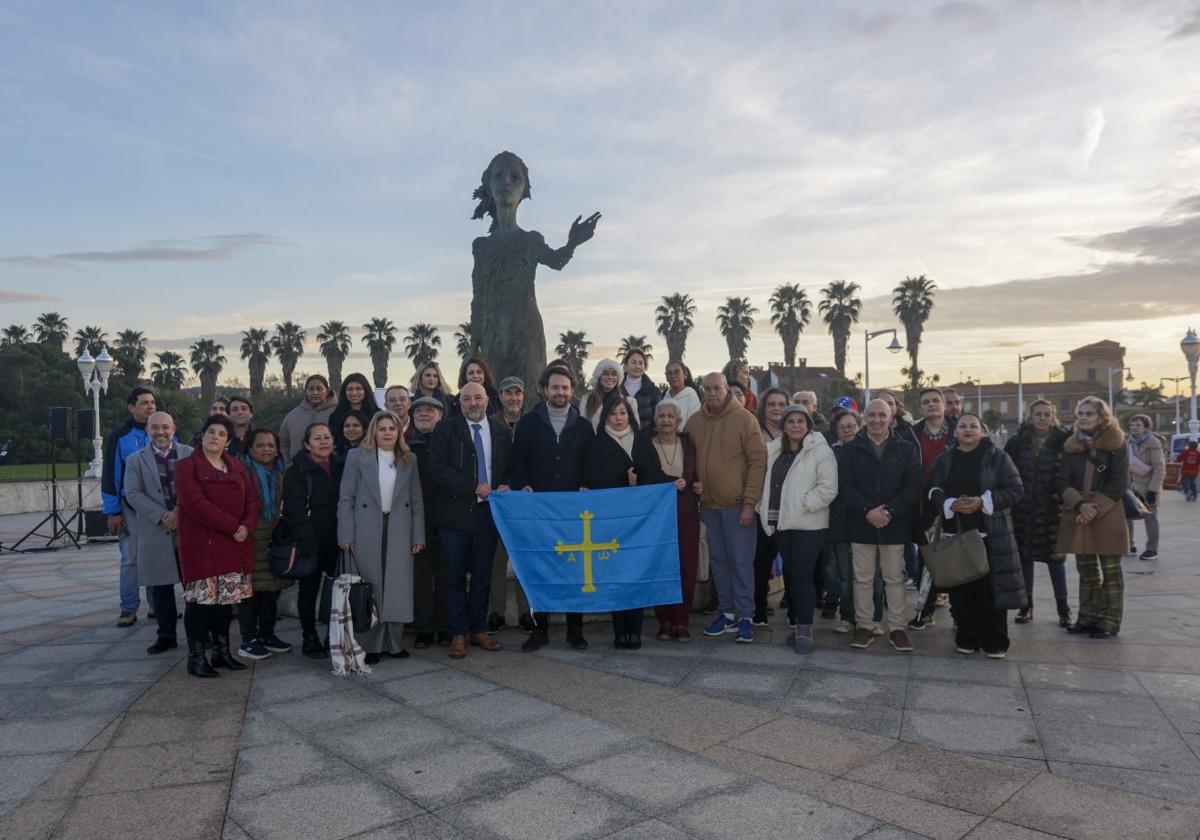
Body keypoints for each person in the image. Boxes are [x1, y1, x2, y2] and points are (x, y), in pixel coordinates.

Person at [927, 413, 1027, 658]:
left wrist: (982, 502)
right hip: (957, 536)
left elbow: (1015, 490)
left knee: (991, 592)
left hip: (991, 535)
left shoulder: (998, 457)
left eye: (973, 426)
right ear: (956, 432)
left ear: (983, 431)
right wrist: (950, 503)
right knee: (961, 592)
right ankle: (967, 637)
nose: (968, 430)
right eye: (963, 426)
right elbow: (932, 491)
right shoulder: (945, 459)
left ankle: (995, 641)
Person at [511, 365, 595, 652]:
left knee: (574, 571)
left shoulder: (583, 426)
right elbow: (516, 462)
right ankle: (540, 630)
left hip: (573, 512)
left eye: (565, 387)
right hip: (539, 511)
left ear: (572, 391)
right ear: (545, 390)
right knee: (540, 570)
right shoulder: (528, 423)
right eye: (555, 387)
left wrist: (586, 483)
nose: (560, 392)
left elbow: (590, 464)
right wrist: (522, 484)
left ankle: (575, 630)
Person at [429, 382, 512, 658]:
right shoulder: (445, 429)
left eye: (478, 397)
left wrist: (505, 485)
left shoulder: (501, 432)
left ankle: (478, 628)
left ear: (488, 400)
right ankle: (457, 633)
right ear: (459, 402)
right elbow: (437, 470)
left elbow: (509, 469)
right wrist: (472, 486)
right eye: (467, 399)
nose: (473, 403)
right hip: (453, 517)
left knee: (482, 576)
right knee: (452, 577)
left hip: (487, 517)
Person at [175, 414, 258, 678]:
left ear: (228, 441)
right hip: (203, 543)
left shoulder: (236, 467)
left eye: (221, 434)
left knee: (225, 603)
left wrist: (247, 526)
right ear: (202, 435)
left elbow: (253, 500)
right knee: (201, 604)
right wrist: (234, 527)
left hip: (235, 545)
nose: (214, 437)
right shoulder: (186, 466)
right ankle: (196, 657)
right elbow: (195, 504)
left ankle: (221, 652)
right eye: (210, 431)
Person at [338, 410, 425, 663]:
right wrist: (345, 533)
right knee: (371, 586)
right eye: (382, 428)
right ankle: (370, 645)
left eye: (392, 428)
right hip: (366, 528)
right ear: (373, 432)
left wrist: (417, 534)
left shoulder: (409, 459)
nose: (387, 433)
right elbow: (346, 499)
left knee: (397, 586)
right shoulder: (357, 457)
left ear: (399, 432)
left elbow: (416, 500)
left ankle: (394, 643)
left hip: (399, 528)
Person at [688, 372, 767, 643]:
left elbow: (758, 463)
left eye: (718, 388)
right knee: (719, 564)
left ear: (727, 390)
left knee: (741, 563)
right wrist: (694, 484)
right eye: (708, 388)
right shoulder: (695, 422)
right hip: (708, 506)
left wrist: (749, 503)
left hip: (737, 508)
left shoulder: (745, 419)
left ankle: (746, 616)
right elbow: (688, 461)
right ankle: (728, 614)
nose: (713, 393)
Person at [838, 398, 922, 652]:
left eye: (882, 415)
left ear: (891, 418)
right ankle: (864, 626)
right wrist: (867, 511)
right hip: (861, 522)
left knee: (894, 579)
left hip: (894, 524)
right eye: (871, 415)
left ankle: (897, 629)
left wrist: (890, 511)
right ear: (864, 418)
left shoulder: (906, 448)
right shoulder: (850, 449)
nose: (876, 420)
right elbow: (845, 487)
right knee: (862, 579)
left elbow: (914, 486)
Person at [585, 395, 666, 649]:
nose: (618, 419)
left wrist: (675, 481)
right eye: (613, 414)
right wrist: (624, 483)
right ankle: (620, 631)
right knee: (616, 576)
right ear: (605, 417)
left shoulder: (642, 441)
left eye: (622, 413)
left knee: (636, 575)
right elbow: (594, 481)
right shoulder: (597, 444)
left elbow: (654, 474)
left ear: (629, 415)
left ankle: (636, 631)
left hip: (639, 523)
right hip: (612, 522)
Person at [759, 405, 838, 653]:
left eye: (800, 421)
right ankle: (798, 626)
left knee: (803, 576)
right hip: (781, 524)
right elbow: (766, 484)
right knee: (792, 575)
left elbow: (828, 489)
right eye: (790, 421)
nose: (795, 425)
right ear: (783, 426)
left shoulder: (820, 451)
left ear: (808, 425)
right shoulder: (773, 451)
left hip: (808, 524)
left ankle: (805, 631)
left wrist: (802, 505)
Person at [1057, 397, 1129, 639]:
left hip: (1107, 512)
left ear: (1102, 416)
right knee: (1086, 569)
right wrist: (1079, 505)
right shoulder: (1071, 446)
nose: (1084, 417)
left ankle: (1109, 621)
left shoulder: (1116, 443)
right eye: (1081, 413)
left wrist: (1094, 508)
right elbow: (1062, 480)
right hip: (1079, 512)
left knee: (1110, 570)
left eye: (1089, 413)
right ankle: (1087, 617)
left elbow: (1120, 481)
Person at [122, 411, 192, 654]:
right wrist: (163, 516)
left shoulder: (190, 454)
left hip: (187, 528)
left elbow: (198, 488)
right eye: (155, 428)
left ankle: (197, 633)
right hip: (155, 528)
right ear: (147, 430)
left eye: (165, 427)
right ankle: (166, 635)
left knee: (193, 585)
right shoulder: (135, 460)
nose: (160, 432)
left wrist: (178, 513)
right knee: (161, 588)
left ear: (173, 428)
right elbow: (132, 493)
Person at [1004, 399, 1072, 627]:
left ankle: (1063, 608)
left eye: (1047, 414)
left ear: (1053, 417)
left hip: (1054, 510)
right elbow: (1006, 471)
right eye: (1038, 414)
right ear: (1030, 417)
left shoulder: (1066, 442)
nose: (1042, 418)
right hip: (1022, 509)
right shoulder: (1017, 442)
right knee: (1025, 560)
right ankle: (1026, 606)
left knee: (1056, 561)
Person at [281, 422, 343, 657]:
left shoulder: (341, 465)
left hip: (338, 540)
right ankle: (309, 636)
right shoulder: (296, 471)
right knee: (308, 590)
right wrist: (308, 543)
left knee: (337, 591)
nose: (323, 442)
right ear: (306, 444)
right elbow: (294, 512)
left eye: (327, 437)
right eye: (317, 438)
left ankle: (334, 635)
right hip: (311, 541)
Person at [236, 428, 293, 660]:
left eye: (271, 445)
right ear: (250, 448)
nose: (266, 449)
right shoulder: (242, 473)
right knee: (249, 593)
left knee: (271, 590)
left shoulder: (281, 473)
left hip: (272, 539)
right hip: (249, 538)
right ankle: (249, 639)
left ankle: (268, 635)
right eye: (260, 445)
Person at [824, 411, 883, 633]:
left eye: (852, 425)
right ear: (836, 431)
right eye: (843, 427)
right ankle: (847, 617)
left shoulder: (870, 451)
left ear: (859, 427)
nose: (848, 429)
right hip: (839, 521)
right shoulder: (829, 454)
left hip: (867, 519)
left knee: (872, 574)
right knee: (844, 574)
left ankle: (875, 618)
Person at [103, 386, 156, 627]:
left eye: (152, 402)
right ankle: (129, 608)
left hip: (159, 509)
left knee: (159, 557)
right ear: (131, 407)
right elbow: (110, 476)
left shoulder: (166, 433)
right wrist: (113, 511)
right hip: (129, 508)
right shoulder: (120, 436)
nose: (150, 407)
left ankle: (158, 606)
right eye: (144, 403)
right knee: (131, 560)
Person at [648, 399, 700, 642]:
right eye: (662, 416)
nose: (666, 420)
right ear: (655, 420)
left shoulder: (689, 444)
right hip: (657, 518)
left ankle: (681, 621)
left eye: (671, 416)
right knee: (660, 567)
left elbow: (696, 473)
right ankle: (664, 621)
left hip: (686, 513)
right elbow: (644, 476)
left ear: (678, 421)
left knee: (686, 568)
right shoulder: (646, 445)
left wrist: (698, 484)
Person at [905, 388, 955, 629]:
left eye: (936, 401)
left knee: (957, 560)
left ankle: (960, 613)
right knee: (928, 560)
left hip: (952, 506)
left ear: (944, 404)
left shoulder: (959, 430)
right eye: (926, 402)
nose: (932, 405)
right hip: (921, 507)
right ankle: (925, 610)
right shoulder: (910, 435)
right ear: (920, 408)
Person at [408, 396, 450, 648]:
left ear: (441, 415)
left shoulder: (449, 443)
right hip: (417, 521)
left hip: (446, 519)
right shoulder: (405, 447)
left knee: (447, 576)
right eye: (419, 411)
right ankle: (423, 628)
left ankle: (445, 627)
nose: (424, 414)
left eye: (430, 410)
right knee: (420, 578)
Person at [486, 376, 526, 631]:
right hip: (497, 501)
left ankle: (526, 612)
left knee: (524, 558)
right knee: (496, 560)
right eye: (508, 393)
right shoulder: (489, 425)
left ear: (523, 397)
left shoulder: (532, 424)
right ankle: (497, 612)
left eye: (517, 393)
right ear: (499, 397)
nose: (513, 398)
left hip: (524, 502)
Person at [752, 388, 789, 625]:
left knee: (794, 562)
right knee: (761, 560)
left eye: (782, 404)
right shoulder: (755, 433)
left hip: (791, 508)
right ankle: (759, 608)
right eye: (772, 404)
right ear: (763, 407)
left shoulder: (797, 430)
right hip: (763, 506)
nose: (777, 408)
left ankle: (795, 612)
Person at [1126, 414, 1164, 561]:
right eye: (1132, 424)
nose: (1134, 427)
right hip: (1130, 485)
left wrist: (1153, 489)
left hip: (1147, 486)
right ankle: (1129, 545)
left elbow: (1159, 467)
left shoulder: (1152, 442)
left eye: (1138, 425)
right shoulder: (1127, 441)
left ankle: (1152, 549)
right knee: (1126, 515)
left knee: (1150, 519)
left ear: (1146, 427)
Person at [279, 374, 337, 461]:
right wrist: (287, 463)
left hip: (332, 469)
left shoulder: (338, 412)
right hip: (298, 470)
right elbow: (282, 443)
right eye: (311, 389)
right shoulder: (292, 415)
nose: (315, 392)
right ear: (306, 391)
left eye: (319, 389)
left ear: (327, 391)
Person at [580, 358, 639, 431]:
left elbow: (635, 429)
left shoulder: (630, 402)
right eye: (605, 374)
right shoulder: (587, 400)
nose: (610, 377)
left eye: (614, 374)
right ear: (599, 376)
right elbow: (582, 427)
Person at [329, 373, 381, 451]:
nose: (354, 393)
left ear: (365, 390)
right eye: (350, 389)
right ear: (344, 392)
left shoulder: (378, 415)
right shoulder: (335, 416)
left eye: (358, 389)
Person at [621, 348, 661, 429]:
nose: (637, 366)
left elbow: (659, 416)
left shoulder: (653, 391)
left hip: (645, 436)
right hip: (618, 436)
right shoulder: (616, 388)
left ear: (645, 367)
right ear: (625, 366)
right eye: (633, 362)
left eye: (641, 363)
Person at [663, 360, 702, 428]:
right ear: (666, 377)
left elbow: (695, 425)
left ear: (685, 375)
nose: (673, 375)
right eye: (669, 373)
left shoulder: (691, 397)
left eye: (677, 372)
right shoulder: (663, 396)